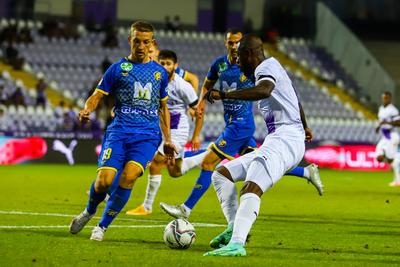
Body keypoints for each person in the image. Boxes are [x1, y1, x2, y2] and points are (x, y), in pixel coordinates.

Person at [160, 29, 322, 220]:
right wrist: (201, 101)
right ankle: (306, 171)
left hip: (240, 124)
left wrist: (303, 124)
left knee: (208, 163)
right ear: (225, 43)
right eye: (231, 43)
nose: (234, 46)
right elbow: (207, 84)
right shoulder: (219, 64)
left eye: (238, 43)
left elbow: (276, 92)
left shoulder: (252, 67)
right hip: (232, 122)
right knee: (258, 160)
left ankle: (186, 209)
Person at [203, 34, 314, 257]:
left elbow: (264, 90)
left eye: (239, 57)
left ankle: (236, 244)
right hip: (282, 137)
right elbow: (295, 99)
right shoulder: (273, 67)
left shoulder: (264, 69)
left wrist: (225, 94)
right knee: (221, 173)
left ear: (249, 54)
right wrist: (306, 126)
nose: (238, 62)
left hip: (286, 138)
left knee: (251, 187)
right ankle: (235, 227)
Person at [69, 21, 176, 241]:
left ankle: (102, 226)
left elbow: (163, 106)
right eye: (137, 40)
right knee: (104, 181)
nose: (141, 45)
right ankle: (89, 211)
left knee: (129, 177)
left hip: (146, 136)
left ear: (152, 43)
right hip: (119, 131)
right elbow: (98, 95)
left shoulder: (159, 73)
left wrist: (168, 139)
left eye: (146, 42)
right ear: (130, 40)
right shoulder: (118, 68)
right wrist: (87, 109)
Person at [125, 49, 205, 215]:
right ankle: (207, 155)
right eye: (162, 63)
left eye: (169, 63)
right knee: (175, 171)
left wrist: (196, 135)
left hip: (177, 129)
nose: (165, 66)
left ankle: (146, 206)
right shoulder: (153, 81)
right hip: (160, 126)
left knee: (156, 163)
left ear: (175, 66)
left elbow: (198, 111)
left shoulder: (183, 86)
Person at [375, 91, 400, 187]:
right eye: (384, 98)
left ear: (390, 98)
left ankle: (398, 180)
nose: (385, 99)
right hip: (384, 137)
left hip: (392, 136)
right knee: (379, 158)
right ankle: (395, 160)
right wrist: (378, 126)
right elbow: (381, 121)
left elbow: (399, 123)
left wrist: (388, 123)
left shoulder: (393, 110)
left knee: (390, 160)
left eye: (387, 98)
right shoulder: (381, 109)